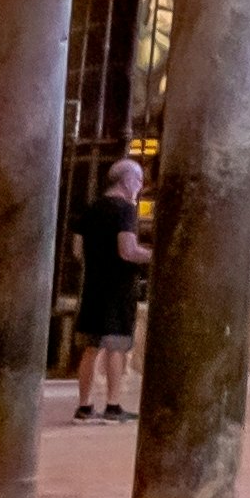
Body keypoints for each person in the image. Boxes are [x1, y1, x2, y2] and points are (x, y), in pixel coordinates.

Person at [75, 156, 156, 422]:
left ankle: (85, 406)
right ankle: (112, 404)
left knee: (91, 346)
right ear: (128, 180)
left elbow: (78, 250)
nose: (140, 186)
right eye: (139, 180)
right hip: (118, 286)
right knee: (116, 346)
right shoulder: (124, 210)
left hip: (93, 284)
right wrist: (158, 256)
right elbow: (128, 250)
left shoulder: (91, 208)